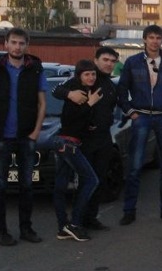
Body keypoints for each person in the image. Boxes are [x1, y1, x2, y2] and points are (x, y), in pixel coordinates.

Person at [0, 28, 47, 246]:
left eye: (21, 43)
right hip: (1, 135)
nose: (17, 47)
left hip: (26, 135)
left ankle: (26, 229)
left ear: (26, 45)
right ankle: (0, 231)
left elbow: (42, 103)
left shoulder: (35, 68)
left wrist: (36, 131)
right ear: (6, 44)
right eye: (13, 42)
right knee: (0, 186)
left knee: (27, 186)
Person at [117, 25, 162, 225]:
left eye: (158, 38)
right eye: (151, 37)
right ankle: (129, 211)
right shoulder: (132, 62)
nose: (155, 41)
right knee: (135, 166)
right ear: (144, 39)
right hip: (141, 117)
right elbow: (121, 90)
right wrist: (131, 112)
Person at [51, 46, 119, 230]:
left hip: (104, 138)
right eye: (105, 60)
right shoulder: (83, 79)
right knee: (85, 181)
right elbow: (56, 90)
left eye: (113, 61)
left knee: (99, 179)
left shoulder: (111, 85)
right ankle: (77, 221)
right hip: (84, 139)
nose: (109, 64)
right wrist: (69, 94)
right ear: (96, 60)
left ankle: (91, 218)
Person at [52, 60, 102, 242]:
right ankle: (74, 223)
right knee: (91, 179)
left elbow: (79, 120)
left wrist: (90, 124)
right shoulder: (75, 90)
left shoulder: (89, 91)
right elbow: (70, 117)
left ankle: (63, 227)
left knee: (60, 186)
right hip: (67, 143)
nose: (91, 77)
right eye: (87, 74)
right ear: (79, 75)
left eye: (93, 74)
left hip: (69, 142)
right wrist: (89, 104)